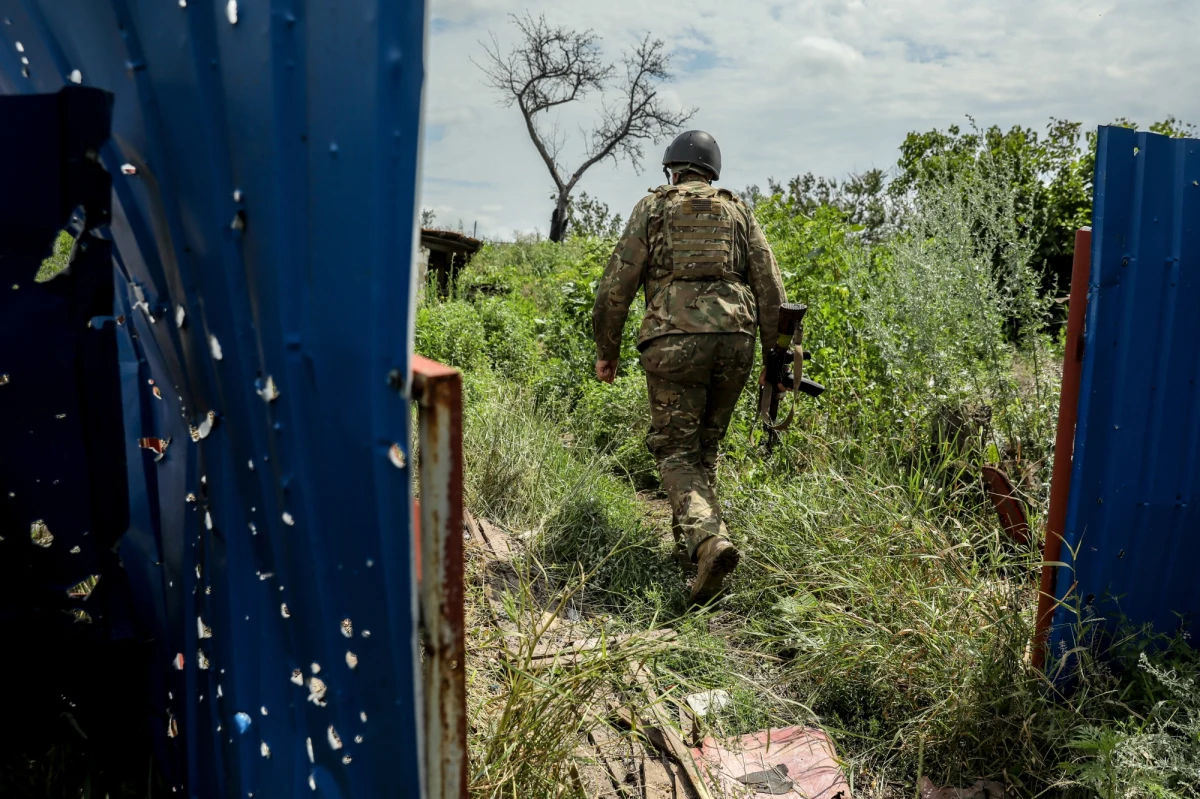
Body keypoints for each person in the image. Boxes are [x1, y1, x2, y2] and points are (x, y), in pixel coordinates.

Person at [591, 130, 788, 605]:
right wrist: (774, 358)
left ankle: (707, 542)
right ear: (711, 171)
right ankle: (695, 554)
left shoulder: (654, 207)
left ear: (673, 170)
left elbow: (617, 284)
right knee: (705, 448)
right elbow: (771, 287)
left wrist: (607, 349)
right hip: (736, 340)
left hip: (673, 338)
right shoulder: (738, 210)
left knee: (676, 451)